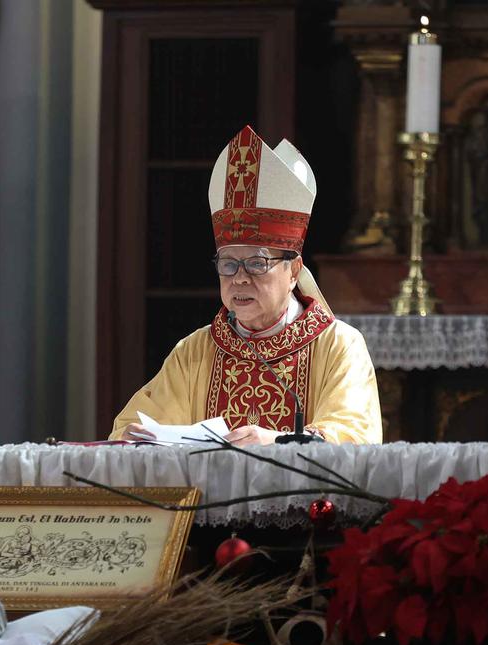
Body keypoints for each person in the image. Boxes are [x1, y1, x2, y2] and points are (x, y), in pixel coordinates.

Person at [110, 125, 381, 446]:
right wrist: (136, 440)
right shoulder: (195, 351)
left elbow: (354, 435)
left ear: (293, 270)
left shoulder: (338, 346)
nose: (239, 277)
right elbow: (129, 429)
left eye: (256, 263)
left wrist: (277, 442)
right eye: (228, 264)